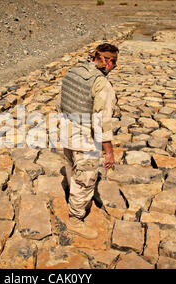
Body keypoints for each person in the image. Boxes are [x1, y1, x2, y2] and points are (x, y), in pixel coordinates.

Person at [58, 43, 118, 239]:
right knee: (85, 180)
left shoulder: (74, 71)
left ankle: (71, 196)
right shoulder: (102, 84)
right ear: (108, 61)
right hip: (85, 138)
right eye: (114, 62)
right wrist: (108, 151)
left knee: (71, 167)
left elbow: (59, 102)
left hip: (66, 130)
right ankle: (75, 219)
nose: (115, 66)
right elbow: (102, 122)